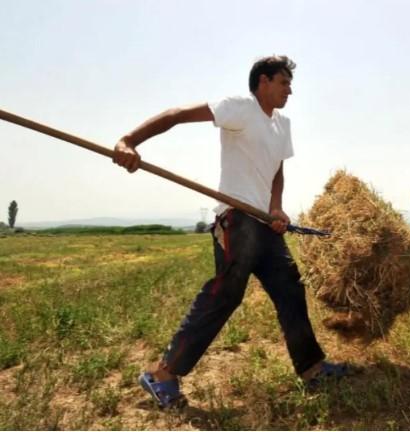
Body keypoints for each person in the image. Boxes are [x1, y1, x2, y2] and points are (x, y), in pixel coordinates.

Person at [113, 55, 347, 409]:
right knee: (226, 294)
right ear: (263, 82)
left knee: (290, 288)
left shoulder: (282, 124)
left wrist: (275, 207)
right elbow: (176, 115)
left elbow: (277, 171)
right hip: (236, 218)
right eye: (284, 82)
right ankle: (162, 375)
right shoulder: (240, 108)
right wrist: (129, 141)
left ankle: (312, 369)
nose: (290, 90)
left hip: (265, 223)